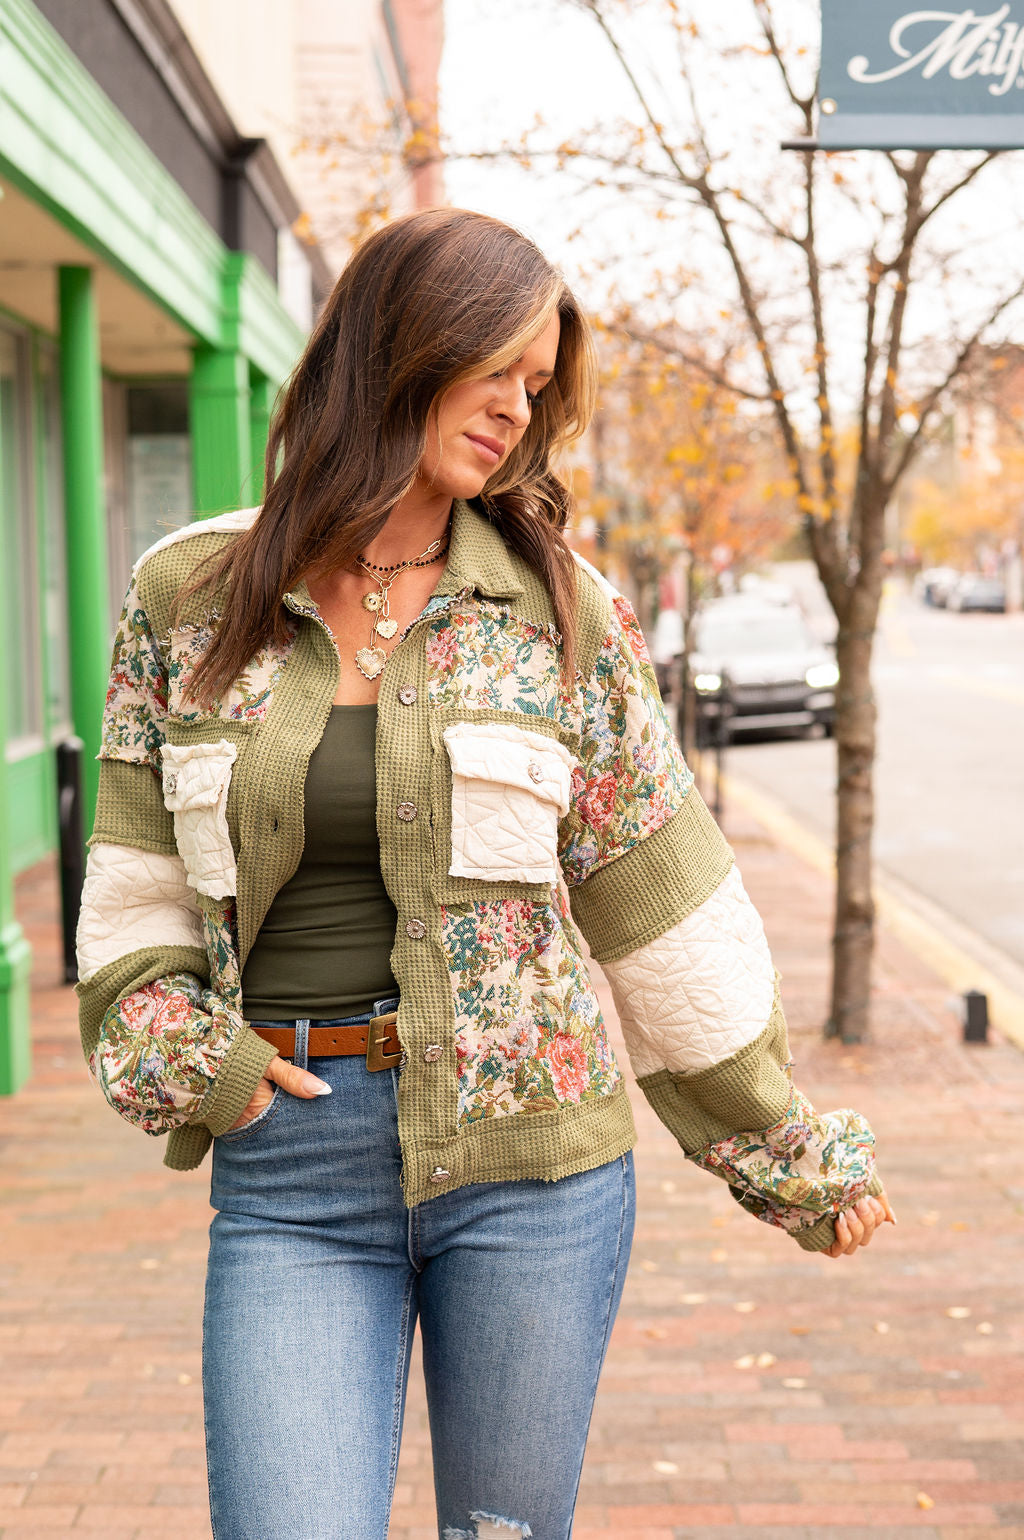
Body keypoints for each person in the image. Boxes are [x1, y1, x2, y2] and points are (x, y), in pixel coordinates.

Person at [76, 207, 893, 1540]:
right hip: (290, 1165)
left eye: (538, 385)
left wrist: (786, 1150)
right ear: (399, 349)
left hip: (537, 1171)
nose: (518, 410)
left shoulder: (561, 604)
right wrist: (206, 1072)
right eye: (495, 369)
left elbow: (656, 895)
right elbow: (135, 891)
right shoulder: (192, 595)